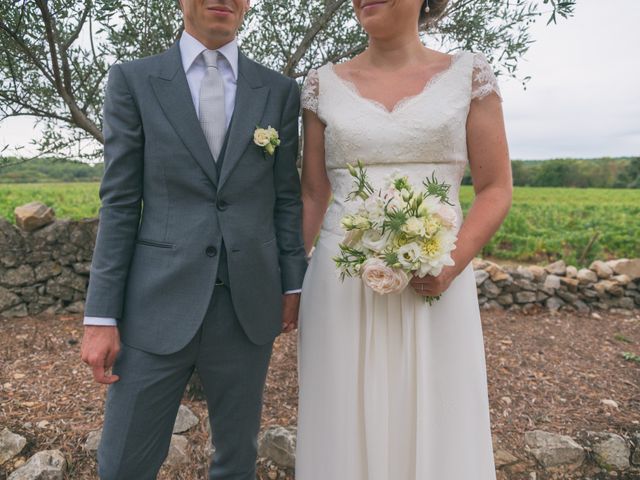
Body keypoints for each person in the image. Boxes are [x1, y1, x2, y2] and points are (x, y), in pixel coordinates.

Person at [79, 0, 306, 478]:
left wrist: (292, 284)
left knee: (237, 461)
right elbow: (119, 203)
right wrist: (100, 316)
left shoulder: (279, 91)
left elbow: (285, 199)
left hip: (247, 305)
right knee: (123, 462)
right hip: (154, 304)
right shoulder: (133, 80)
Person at [296, 0, 512, 478]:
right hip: (342, 284)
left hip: (435, 281)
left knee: (439, 409)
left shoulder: (469, 75)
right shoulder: (320, 84)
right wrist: (288, 282)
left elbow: (496, 188)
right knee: (342, 416)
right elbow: (313, 193)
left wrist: (449, 263)